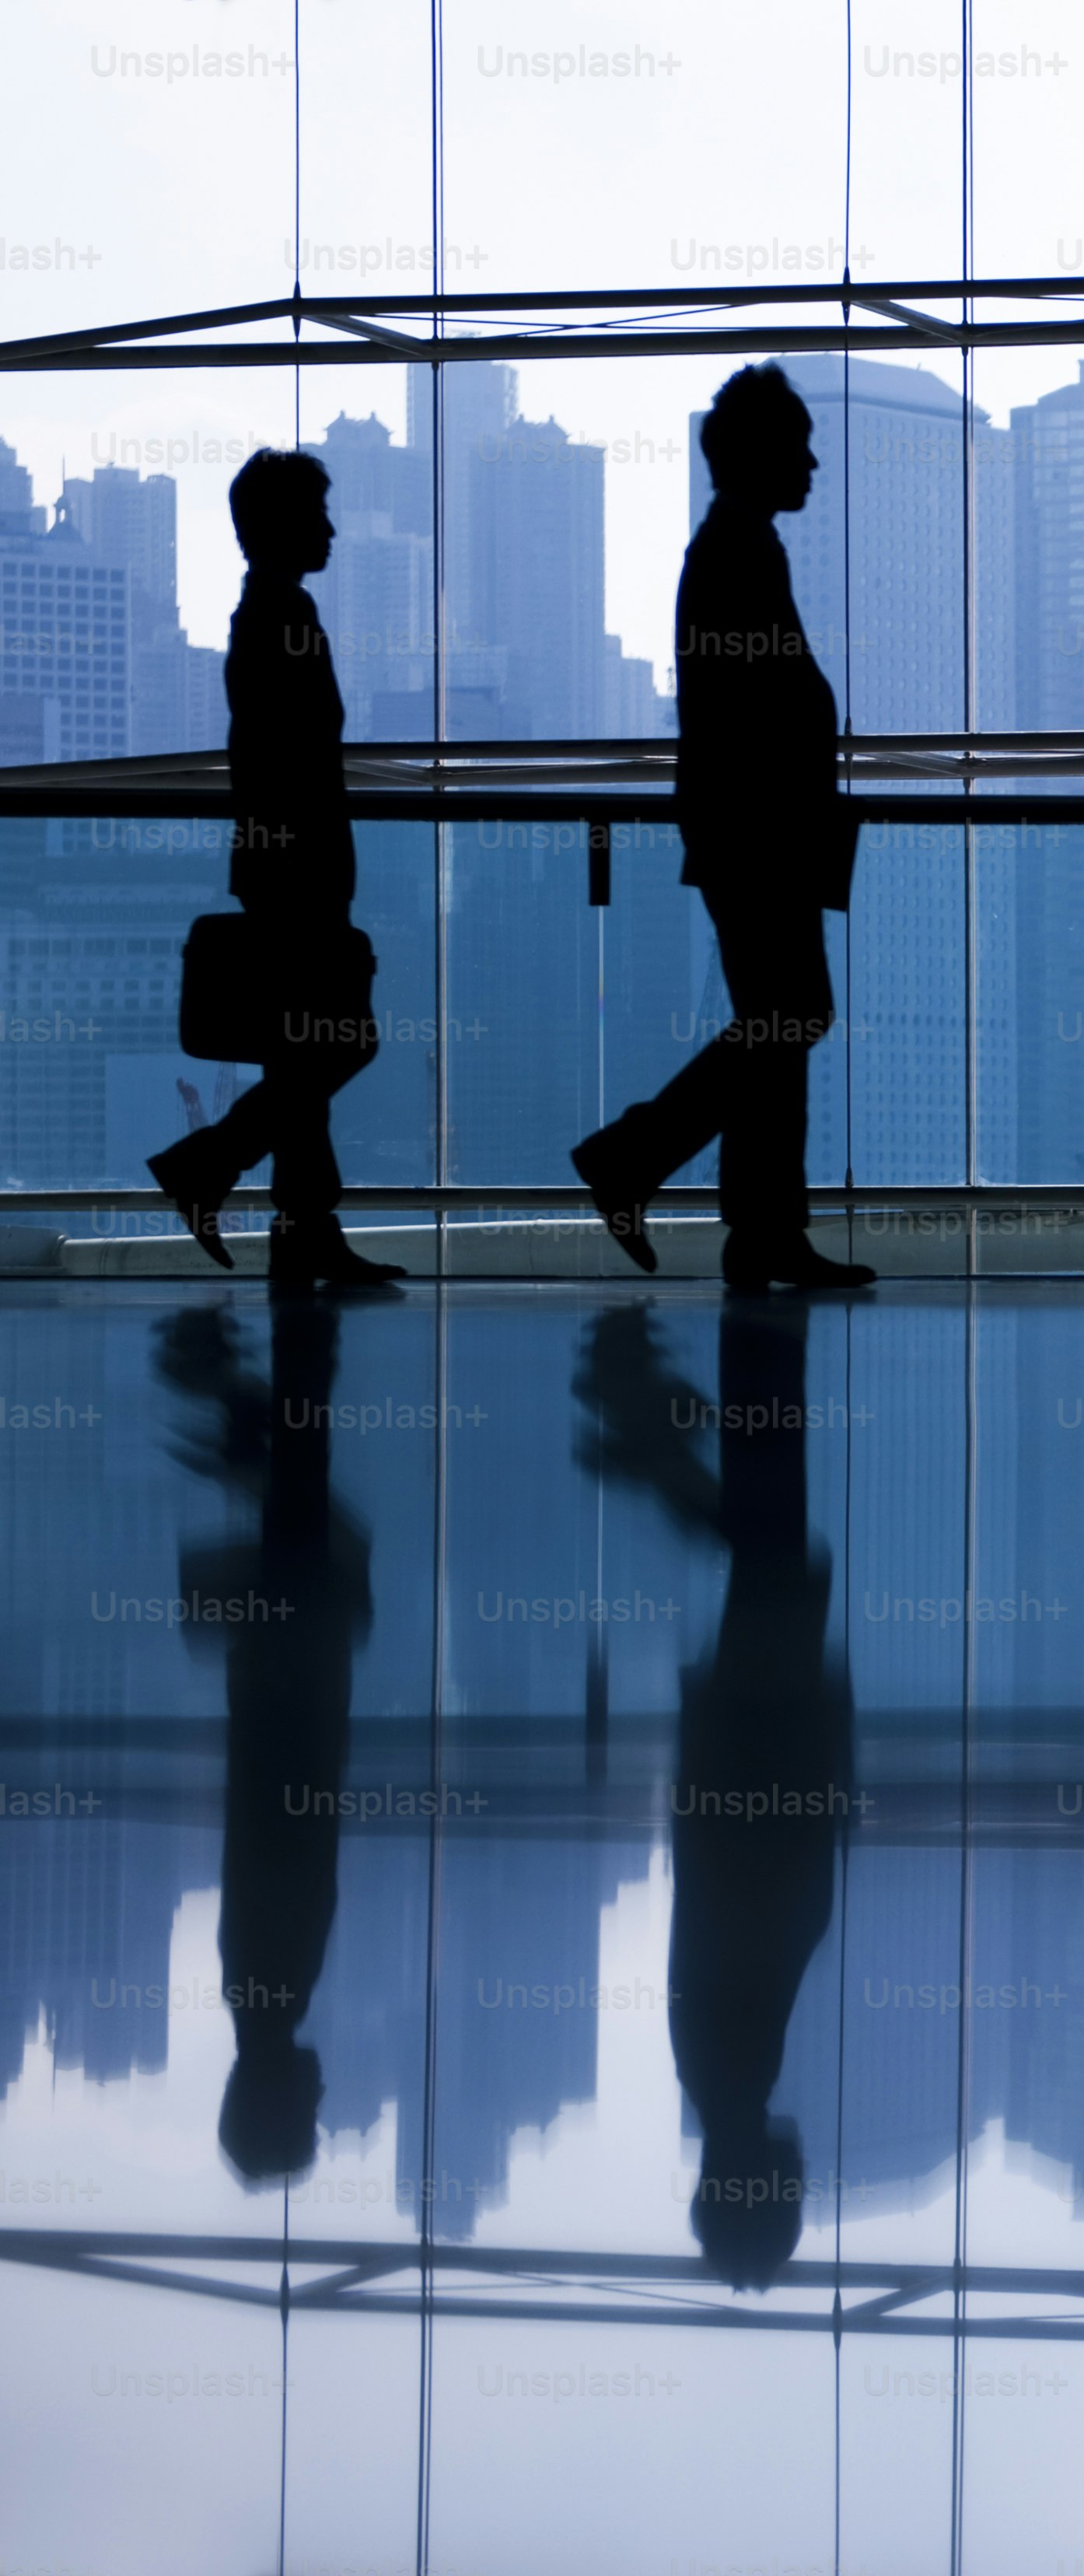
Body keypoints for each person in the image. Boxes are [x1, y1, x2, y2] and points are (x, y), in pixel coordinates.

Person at [571, 364, 871, 1294]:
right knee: (790, 1018)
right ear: (757, 453)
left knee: (773, 1026)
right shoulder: (737, 553)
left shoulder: (736, 547)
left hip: (752, 831)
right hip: (760, 835)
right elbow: (760, 710)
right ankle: (636, 1156)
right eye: (800, 445)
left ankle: (762, 1230)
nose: (815, 464)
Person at [573, 1297, 849, 2285]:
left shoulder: (729, 2074)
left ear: (759, 2189)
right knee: (777, 1556)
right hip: (746, 1765)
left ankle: (706, 1387)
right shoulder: (719, 2077)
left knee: (781, 1560)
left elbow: (761, 1902)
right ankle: (679, 1413)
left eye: (788, 2201)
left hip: (760, 1758)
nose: (802, 2182)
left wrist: (812, 1788)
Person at [149, 450, 404, 1290]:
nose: (330, 529)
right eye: (317, 514)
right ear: (280, 525)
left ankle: (302, 1232)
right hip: (298, 870)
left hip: (286, 866)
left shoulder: (272, 613)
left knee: (305, 1054)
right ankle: (211, 1165)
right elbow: (288, 760)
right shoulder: (277, 619)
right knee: (338, 1041)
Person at [154, 1297, 375, 2182]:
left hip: (294, 1703)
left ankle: (287, 1343)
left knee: (312, 1522)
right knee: (307, 1511)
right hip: (283, 1703)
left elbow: (284, 1841)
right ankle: (271, 1358)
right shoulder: (260, 1995)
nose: (323, 2103)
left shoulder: (270, 1987)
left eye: (306, 2120)